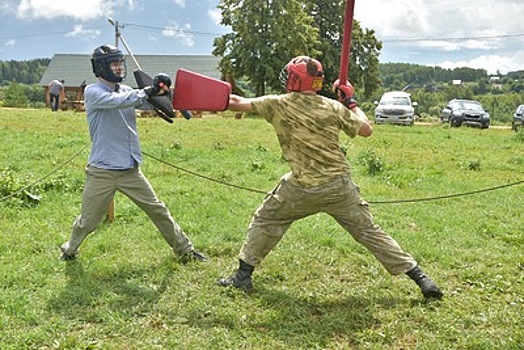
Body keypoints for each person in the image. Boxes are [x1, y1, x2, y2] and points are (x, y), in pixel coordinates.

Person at [219, 56, 443, 299]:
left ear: (295, 79)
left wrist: (191, 96)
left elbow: (234, 101)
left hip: (302, 187)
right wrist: (350, 100)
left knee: (266, 220)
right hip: (339, 187)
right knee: (369, 232)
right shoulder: (332, 106)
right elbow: (365, 129)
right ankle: (421, 278)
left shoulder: (278, 103)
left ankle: (242, 277)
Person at [60, 44, 207, 263]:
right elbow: (118, 102)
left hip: (130, 169)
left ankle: (185, 250)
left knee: (158, 210)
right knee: (89, 222)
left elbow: (150, 104)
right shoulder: (93, 92)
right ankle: (69, 249)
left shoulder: (129, 91)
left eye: (121, 63)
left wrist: (162, 91)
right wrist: (147, 91)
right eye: (114, 63)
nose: (119, 68)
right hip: (102, 171)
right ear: (101, 67)